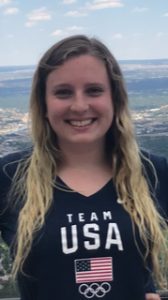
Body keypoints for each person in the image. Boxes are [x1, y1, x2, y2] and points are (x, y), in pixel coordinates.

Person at [0, 35, 167, 300]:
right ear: (43, 104)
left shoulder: (154, 171)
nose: (79, 105)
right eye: (63, 92)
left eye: (94, 90)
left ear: (115, 99)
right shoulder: (9, 175)